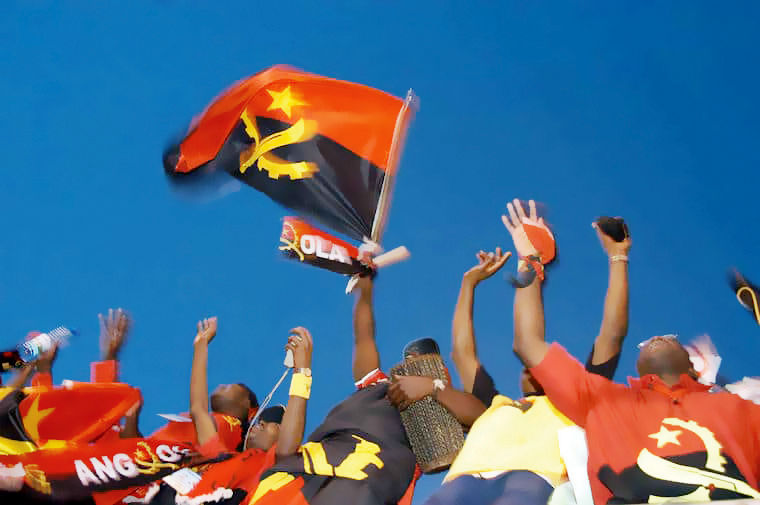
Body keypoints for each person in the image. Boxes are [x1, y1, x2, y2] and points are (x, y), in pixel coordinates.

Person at [508, 200, 760, 503]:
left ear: (694, 368)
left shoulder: (740, 409)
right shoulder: (603, 401)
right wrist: (531, 259)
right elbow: (528, 343)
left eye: (672, 339)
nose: (658, 338)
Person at [421, 199, 631, 505]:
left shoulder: (579, 398)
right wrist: (469, 284)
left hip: (537, 482)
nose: (530, 369)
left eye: (538, 365)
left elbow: (611, 335)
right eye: (525, 368)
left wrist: (618, 258)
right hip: (463, 482)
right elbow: (462, 354)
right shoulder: (494, 405)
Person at [250, 276, 485, 505]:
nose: (413, 362)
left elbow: (482, 417)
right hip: (307, 470)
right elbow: (364, 337)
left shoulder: (441, 410)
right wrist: (365, 289)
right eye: (411, 359)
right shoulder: (377, 384)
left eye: (425, 362)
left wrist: (431, 387)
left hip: (363, 482)